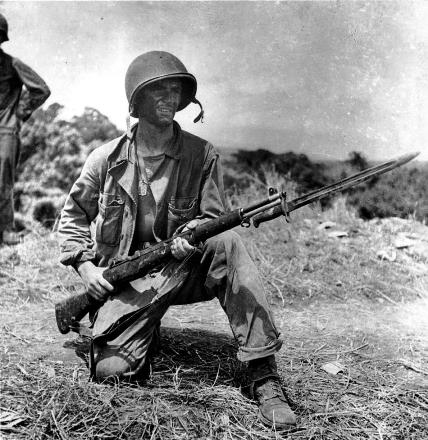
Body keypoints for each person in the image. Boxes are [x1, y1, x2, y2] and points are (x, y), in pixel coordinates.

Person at [58, 51, 296, 428]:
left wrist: (192, 234)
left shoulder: (201, 155)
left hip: (183, 270)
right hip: (128, 282)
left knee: (229, 242)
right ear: (137, 101)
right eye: (160, 91)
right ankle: (141, 330)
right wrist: (86, 268)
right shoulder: (105, 160)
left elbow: (213, 219)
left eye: (176, 90)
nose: (170, 98)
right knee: (113, 372)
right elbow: (71, 220)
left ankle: (263, 375)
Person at [0, 13, 51, 244]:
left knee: (3, 180)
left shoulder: (12, 64)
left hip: (6, 130)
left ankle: (7, 230)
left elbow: (40, 89)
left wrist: (20, 112)